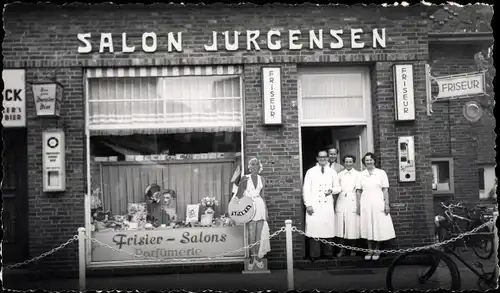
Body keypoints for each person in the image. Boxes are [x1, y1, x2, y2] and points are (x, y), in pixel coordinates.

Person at [355, 152, 396, 261]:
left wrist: (387, 204)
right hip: (366, 203)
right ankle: (370, 249)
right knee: (368, 226)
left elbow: (385, 190)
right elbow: (358, 191)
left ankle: (377, 249)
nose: (369, 162)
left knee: (378, 227)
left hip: (378, 203)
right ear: (364, 162)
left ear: (374, 161)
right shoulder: (361, 174)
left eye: (371, 160)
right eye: (367, 160)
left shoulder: (381, 173)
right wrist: (358, 206)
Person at [303, 150, 341, 261]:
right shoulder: (311, 171)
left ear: (328, 158)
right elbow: (306, 189)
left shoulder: (332, 172)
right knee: (314, 228)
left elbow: (338, 187)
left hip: (327, 204)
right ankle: (314, 255)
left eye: (325, 157)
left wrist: (332, 190)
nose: (323, 159)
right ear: (317, 158)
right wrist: (308, 204)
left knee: (327, 228)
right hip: (314, 204)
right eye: (321, 157)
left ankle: (328, 254)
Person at [235, 157, 270, 270]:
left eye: (257, 164)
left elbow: (263, 196)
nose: (255, 166)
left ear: (259, 166)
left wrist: (266, 210)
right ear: (249, 167)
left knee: (259, 234)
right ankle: (252, 257)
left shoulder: (262, 179)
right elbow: (239, 194)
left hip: (259, 204)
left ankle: (258, 257)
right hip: (249, 204)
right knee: (251, 233)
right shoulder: (245, 178)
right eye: (252, 164)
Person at [335, 154, 361, 257]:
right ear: (344, 163)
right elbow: (336, 188)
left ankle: (353, 250)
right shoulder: (340, 175)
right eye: (346, 162)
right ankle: (342, 249)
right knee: (341, 225)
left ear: (353, 162)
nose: (348, 164)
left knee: (352, 225)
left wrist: (358, 205)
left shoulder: (358, 174)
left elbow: (359, 190)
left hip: (353, 200)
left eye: (350, 162)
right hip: (342, 200)